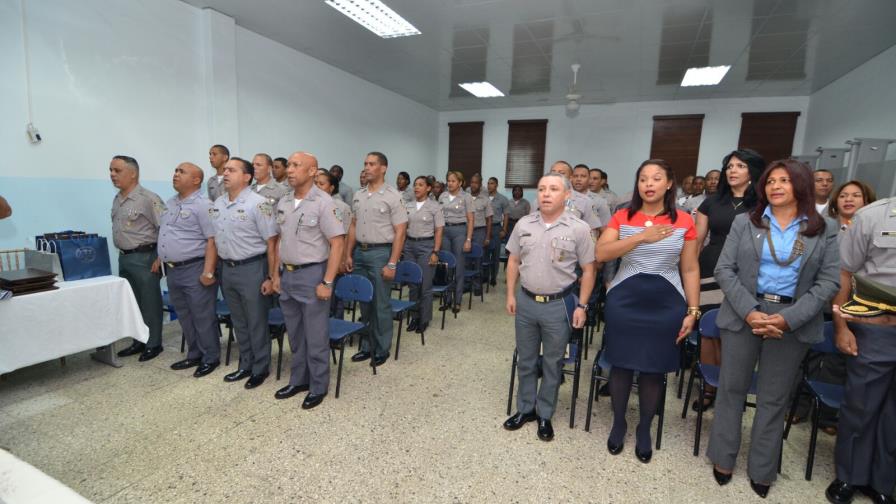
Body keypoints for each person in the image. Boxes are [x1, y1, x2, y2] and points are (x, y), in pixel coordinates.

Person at [707, 159, 840, 499]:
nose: (775, 186)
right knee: (731, 390)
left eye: (784, 180)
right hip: (743, 313)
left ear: (801, 186)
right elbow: (725, 270)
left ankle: (762, 468)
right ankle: (723, 458)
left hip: (792, 320)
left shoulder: (823, 227)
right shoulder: (745, 222)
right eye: (770, 181)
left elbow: (828, 282)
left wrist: (789, 318)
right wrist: (751, 311)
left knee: (773, 398)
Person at [596, 159, 699, 463]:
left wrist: (693, 310)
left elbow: (691, 268)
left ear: (670, 184)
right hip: (625, 297)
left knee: (654, 370)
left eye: (656, 178)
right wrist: (641, 236)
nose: (649, 184)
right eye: (643, 179)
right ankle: (618, 423)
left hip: (666, 300)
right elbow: (601, 253)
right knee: (621, 365)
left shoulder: (683, 220)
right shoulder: (622, 216)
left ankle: (644, 429)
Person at [503, 172, 595, 442]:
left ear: (566, 195)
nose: (545, 194)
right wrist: (510, 294)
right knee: (526, 359)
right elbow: (512, 261)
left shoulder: (578, 228)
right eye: (541, 188)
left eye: (553, 189)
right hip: (526, 302)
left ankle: (545, 414)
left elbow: (589, 270)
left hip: (558, 305)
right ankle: (525, 409)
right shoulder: (523, 224)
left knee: (553, 363)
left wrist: (583, 306)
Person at [825, 196, 896, 504]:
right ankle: (850, 476)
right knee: (862, 405)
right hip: (877, 327)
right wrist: (842, 326)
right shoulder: (873, 216)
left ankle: (882, 481)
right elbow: (844, 272)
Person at [791, 180, 877, 433]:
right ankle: (799, 404)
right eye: (844, 195)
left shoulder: (871, 230)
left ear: (867, 200)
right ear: (835, 201)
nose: (849, 199)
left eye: (856, 195)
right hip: (818, 300)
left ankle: (828, 415)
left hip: (852, 305)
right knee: (806, 355)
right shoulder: (823, 229)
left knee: (837, 360)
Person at [270, 152, 345, 409]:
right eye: (288, 165)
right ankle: (298, 379)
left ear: (313, 171)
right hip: (288, 274)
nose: (290, 170)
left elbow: (337, 243)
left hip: (313, 273)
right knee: (295, 333)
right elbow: (278, 240)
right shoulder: (284, 201)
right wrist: (275, 274)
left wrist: (327, 282)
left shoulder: (323, 202)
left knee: (315, 335)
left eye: (296, 165)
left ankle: (318, 385)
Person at [691, 148, 764, 411]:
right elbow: (698, 239)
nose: (732, 170)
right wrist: (689, 272)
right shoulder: (712, 202)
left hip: (744, 273)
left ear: (752, 172)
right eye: (729, 166)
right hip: (710, 268)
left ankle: (731, 389)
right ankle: (709, 387)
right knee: (709, 332)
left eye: (740, 166)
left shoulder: (761, 204)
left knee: (734, 332)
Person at [213, 157, 279, 389]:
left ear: (247, 177)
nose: (225, 173)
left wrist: (271, 277)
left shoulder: (258, 203)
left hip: (252, 267)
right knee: (239, 321)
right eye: (225, 170)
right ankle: (245, 364)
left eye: (231, 170)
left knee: (256, 321)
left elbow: (272, 242)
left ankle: (260, 368)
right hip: (227, 269)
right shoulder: (219, 203)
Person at [157, 162, 220, 377]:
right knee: (184, 315)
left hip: (195, 267)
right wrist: (161, 256)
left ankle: (210, 357)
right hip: (173, 270)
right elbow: (168, 233)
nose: (175, 174)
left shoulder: (204, 204)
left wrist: (209, 271)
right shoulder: (171, 202)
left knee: (202, 316)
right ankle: (194, 354)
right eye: (175, 170)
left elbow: (213, 240)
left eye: (181, 172)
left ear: (196, 180)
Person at [345, 152, 408, 367]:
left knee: (381, 303)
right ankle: (366, 345)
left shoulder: (392, 196)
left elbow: (400, 231)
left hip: (381, 252)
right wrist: (348, 253)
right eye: (365, 164)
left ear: (383, 168)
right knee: (364, 302)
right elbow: (353, 225)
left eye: (372, 164)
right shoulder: (358, 195)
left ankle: (381, 348)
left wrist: (392, 262)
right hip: (360, 253)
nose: (367, 167)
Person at [109, 155, 166, 361]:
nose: (112, 175)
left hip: (145, 257)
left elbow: (165, 228)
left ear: (133, 173)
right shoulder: (118, 199)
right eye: (111, 170)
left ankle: (154, 344)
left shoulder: (149, 198)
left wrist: (161, 257)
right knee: (132, 303)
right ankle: (139, 341)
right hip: (124, 258)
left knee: (149, 302)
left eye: (117, 171)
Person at [403, 176, 445, 334]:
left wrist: (435, 251)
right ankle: (414, 316)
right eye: (415, 185)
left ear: (428, 188)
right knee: (413, 284)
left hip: (426, 246)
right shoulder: (407, 205)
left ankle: (424, 318)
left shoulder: (435, 207)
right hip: (409, 246)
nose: (416, 188)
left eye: (420, 185)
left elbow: (439, 230)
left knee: (425, 285)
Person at [439, 171, 474, 313]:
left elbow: (471, 219)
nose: (450, 183)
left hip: (460, 231)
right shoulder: (442, 196)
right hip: (445, 232)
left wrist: (468, 239)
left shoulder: (466, 197)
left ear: (460, 183)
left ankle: (457, 301)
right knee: (447, 266)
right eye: (448, 180)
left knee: (458, 267)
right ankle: (447, 299)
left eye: (453, 181)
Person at [549, 161, 602, 232]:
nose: (556, 175)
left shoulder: (585, 201)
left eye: (561, 173)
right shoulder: (539, 200)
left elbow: (592, 231)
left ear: (570, 178)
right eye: (553, 172)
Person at [468, 173, 494, 296]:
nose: (473, 185)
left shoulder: (485, 200)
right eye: (472, 182)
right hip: (466, 231)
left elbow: (489, 219)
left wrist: (487, 236)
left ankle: (477, 286)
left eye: (476, 183)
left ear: (480, 184)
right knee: (466, 259)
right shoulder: (464, 197)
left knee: (478, 259)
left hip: (479, 231)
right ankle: (467, 285)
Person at [485, 177, 510, 286]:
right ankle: (485, 276)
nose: (489, 185)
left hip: (496, 228)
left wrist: (504, 229)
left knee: (495, 254)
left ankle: (493, 277)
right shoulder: (483, 197)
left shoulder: (502, 199)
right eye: (488, 183)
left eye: (492, 183)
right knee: (485, 253)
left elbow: (506, 215)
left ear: (496, 185)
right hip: (484, 228)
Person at [573, 164, 610, 232]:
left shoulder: (600, 201)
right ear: (571, 178)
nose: (578, 179)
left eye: (583, 176)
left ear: (589, 179)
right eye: (575, 176)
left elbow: (605, 229)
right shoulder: (564, 198)